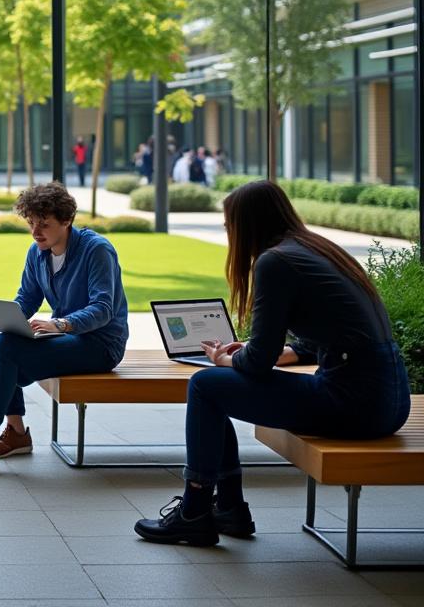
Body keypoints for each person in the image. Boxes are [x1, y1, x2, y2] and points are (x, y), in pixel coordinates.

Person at [135, 180, 410, 547]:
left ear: (247, 225)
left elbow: (257, 364)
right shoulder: (317, 250)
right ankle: (227, 508)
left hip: (354, 403)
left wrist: (226, 358)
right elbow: (336, 334)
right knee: (216, 392)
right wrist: (288, 352)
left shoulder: (275, 261)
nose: (227, 232)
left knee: (205, 385)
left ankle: (195, 512)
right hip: (390, 400)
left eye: (229, 224)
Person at [0, 182, 129, 476]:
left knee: (6, 349)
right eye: (31, 223)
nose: (36, 232)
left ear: (67, 220)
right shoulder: (38, 252)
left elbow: (103, 309)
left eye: (44, 225)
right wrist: (10, 318)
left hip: (100, 344)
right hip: (68, 337)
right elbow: (28, 298)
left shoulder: (96, 250)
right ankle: (15, 432)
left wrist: (60, 324)